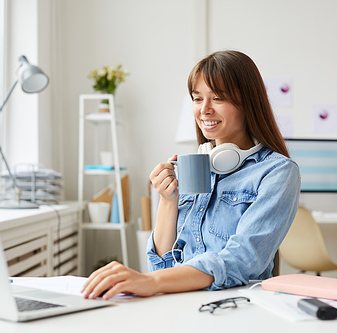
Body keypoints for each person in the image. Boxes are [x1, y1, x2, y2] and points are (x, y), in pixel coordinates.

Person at [82, 50, 300, 300]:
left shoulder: (277, 172)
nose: (204, 110)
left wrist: (151, 281)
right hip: (179, 300)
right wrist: (167, 200)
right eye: (197, 99)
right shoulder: (194, 167)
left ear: (249, 102)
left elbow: (243, 259)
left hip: (235, 305)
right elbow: (162, 265)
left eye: (217, 98)